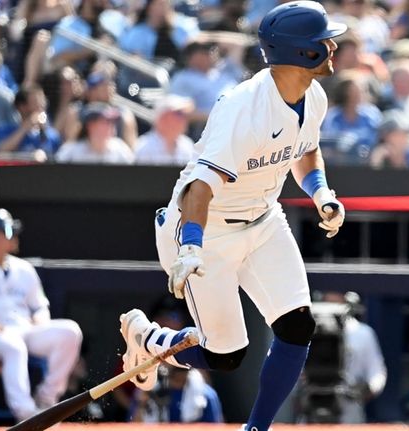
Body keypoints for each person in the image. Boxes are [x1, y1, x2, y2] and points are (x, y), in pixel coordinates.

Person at [117, 3, 347, 431]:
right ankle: (149, 339)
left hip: (263, 219)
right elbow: (199, 188)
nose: (332, 47)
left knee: (298, 327)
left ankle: (256, 428)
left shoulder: (313, 95)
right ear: (303, 53)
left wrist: (321, 193)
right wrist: (192, 245)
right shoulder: (243, 107)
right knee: (226, 356)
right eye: (324, 41)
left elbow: (306, 149)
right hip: (206, 231)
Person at [0, 209, 83, 421]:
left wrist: (40, 322)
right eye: (8, 230)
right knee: (13, 347)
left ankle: (47, 399)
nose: (15, 236)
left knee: (70, 331)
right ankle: (26, 414)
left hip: (26, 330)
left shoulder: (24, 268)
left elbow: (39, 307)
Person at [318, 291, 387, 423]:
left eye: (337, 303)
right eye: (328, 303)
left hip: (349, 405)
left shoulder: (363, 332)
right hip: (314, 402)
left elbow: (377, 371)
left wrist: (368, 388)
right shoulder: (310, 330)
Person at [0, 84, 62, 159]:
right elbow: (1, 150)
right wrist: (26, 127)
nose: (41, 106)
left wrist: (43, 130)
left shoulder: (52, 134)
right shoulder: (6, 130)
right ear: (22, 107)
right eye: (36, 102)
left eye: (42, 101)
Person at [55, 102, 134, 164]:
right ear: (91, 126)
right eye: (106, 121)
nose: (111, 125)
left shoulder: (120, 149)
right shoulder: (71, 151)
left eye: (112, 121)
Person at [135, 95, 199, 165]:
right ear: (163, 118)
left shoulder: (187, 145)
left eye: (184, 114)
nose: (184, 118)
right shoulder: (144, 147)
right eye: (179, 114)